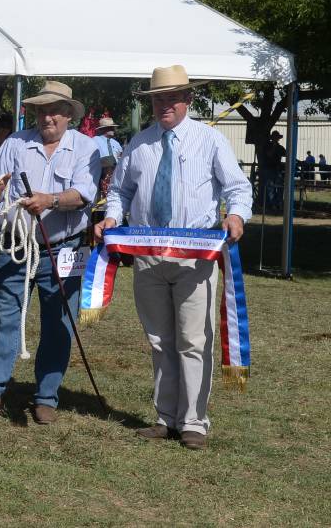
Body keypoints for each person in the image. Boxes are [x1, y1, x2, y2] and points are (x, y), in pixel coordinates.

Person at [96, 65, 252, 451]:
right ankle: (165, 417)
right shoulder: (138, 144)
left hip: (195, 258)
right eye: (158, 99)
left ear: (187, 100)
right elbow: (120, 190)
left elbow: (237, 186)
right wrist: (112, 217)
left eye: (171, 98)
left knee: (193, 339)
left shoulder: (210, 141)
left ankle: (194, 422)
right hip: (147, 257)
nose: (164, 105)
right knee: (159, 339)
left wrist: (235, 215)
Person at [0, 80, 101, 425]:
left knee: (59, 324)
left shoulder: (86, 148)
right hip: (17, 247)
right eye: (41, 110)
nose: (47, 116)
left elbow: (84, 194)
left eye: (54, 110)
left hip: (64, 248)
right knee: (2, 319)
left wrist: (50, 200)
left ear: (69, 114)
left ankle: (46, 398)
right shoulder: (15, 143)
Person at [259, 130, 285, 210]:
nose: (276, 139)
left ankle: (279, 203)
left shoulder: (280, 147)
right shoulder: (268, 146)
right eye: (275, 138)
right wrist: (274, 147)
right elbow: (269, 154)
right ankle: (272, 205)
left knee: (280, 187)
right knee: (271, 188)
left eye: (277, 138)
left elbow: (287, 154)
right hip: (269, 169)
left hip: (277, 169)